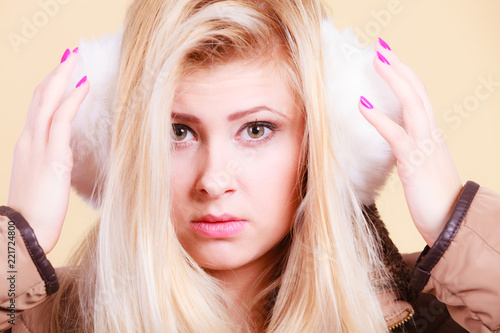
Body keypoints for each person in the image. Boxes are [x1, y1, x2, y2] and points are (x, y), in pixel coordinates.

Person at [1, 0, 499, 332]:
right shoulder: (44, 317)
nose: (214, 180)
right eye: (177, 132)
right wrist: (15, 241)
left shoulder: (437, 312)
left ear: (323, 145)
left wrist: (453, 221)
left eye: (257, 129)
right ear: (122, 149)